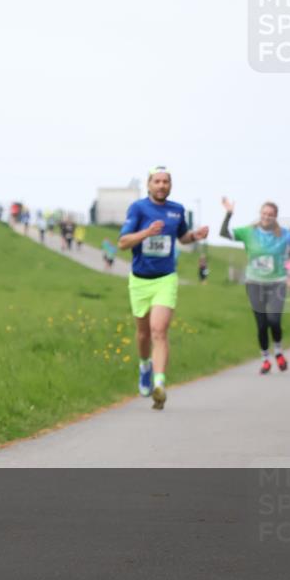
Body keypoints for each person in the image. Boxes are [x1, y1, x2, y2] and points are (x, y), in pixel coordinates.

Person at [118, 167, 208, 409]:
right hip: (139, 280)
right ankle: (145, 366)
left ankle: (159, 384)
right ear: (148, 185)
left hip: (166, 279)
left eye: (165, 181)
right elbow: (123, 243)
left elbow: (183, 237)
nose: (161, 185)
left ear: (170, 185)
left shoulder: (176, 211)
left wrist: (195, 236)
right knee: (143, 334)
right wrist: (147, 232)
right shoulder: (138, 208)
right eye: (157, 181)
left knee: (159, 330)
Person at [220, 198, 290, 374]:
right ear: (260, 214)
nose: (267, 217)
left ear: (275, 217)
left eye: (271, 215)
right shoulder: (249, 232)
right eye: (264, 213)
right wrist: (229, 213)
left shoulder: (284, 235)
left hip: (277, 283)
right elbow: (224, 233)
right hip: (254, 283)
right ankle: (265, 359)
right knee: (262, 324)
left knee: (274, 321)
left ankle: (278, 351)